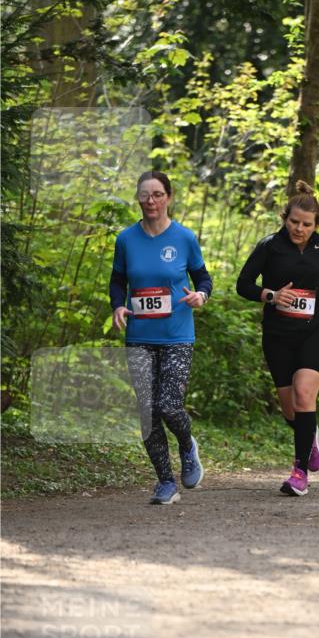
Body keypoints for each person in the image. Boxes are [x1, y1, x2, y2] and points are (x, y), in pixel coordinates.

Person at [236, 181, 319, 496]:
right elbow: (243, 284)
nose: (299, 229)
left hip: (318, 330)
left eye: (306, 224)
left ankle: (299, 472)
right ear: (285, 218)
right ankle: (308, 435)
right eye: (294, 222)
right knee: (289, 408)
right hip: (278, 335)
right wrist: (270, 295)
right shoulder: (269, 246)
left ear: (317, 225)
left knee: (303, 394)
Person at [110, 171, 212, 504]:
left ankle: (187, 445)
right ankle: (165, 481)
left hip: (177, 334)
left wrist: (201, 296)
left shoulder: (184, 237)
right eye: (144, 195)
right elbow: (118, 281)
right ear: (137, 199)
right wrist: (117, 307)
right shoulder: (126, 239)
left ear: (168, 197)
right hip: (139, 335)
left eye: (157, 194)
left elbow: (203, 278)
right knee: (148, 412)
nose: (150, 201)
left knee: (168, 405)